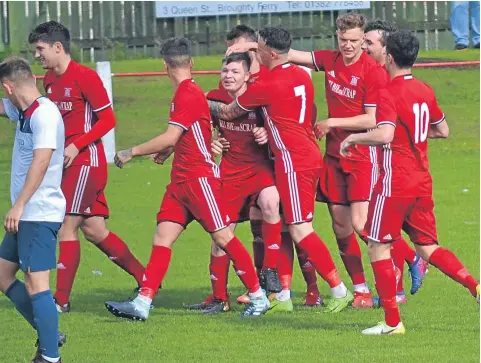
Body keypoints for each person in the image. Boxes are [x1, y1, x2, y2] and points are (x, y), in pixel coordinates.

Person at [104, 37, 269, 321]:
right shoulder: (190, 93)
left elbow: (171, 135)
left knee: (223, 236)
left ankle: (259, 297)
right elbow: (187, 133)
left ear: (164, 65)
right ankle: (143, 303)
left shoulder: (187, 94)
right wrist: (169, 151)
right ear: (191, 63)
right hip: (180, 181)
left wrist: (131, 151)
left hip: (198, 178)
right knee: (162, 237)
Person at [340, 29, 480, 335]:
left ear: (389, 57)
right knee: (427, 246)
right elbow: (442, 130)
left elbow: (385, 134)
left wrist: (355, 137)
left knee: (377, 245)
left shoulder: (388, 92)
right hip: (421, 181)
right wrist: (412, 136)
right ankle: (475, 286)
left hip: (394, 183)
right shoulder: (425, 90)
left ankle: (392, 322)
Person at [211, 26, 353, 313]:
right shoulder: (300, 75)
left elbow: (227, 111)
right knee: (288, 226)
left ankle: (340, 290)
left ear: (271, 53)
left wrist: (196, 100)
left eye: (259, 48)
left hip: (293, 163)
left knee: (301, 229)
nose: (257, 52)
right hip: (305, 155)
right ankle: (283, 297)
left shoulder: (267, 86)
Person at [28, 21, 145, 313]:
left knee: (68, 225)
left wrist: (76, 144)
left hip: (85, 162)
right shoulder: (50, 80)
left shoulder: (86, 77)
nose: (37, 56)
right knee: (94, 230)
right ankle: (147, 280)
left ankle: (60, 301)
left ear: (58, 47)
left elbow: (109, 120)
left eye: (40, 50)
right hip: (68, 164)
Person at [222, 25, 322, 308]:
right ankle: (272, 288)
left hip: (287, 160)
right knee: (264, 222)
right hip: (265, 163)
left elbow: (298, 113)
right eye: (234, 52)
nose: (240, 57)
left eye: (247, 50)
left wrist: (268, 129)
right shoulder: (238, 80)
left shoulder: (273, 76)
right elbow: (227, 119)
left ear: (261, 50)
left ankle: (311, 288)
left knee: (296, 227)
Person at [0, 56, 65, 363]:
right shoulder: (24, 109)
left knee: (36, 284)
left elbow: (41, 162)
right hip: (25, 214)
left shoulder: (45, 115)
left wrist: (19, 205)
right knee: (2, 275)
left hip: (38, 212)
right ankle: (49, 330)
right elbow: (3, 108)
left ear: (7, 86)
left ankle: (51, 356)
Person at [363, 19, 429, 304]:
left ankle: (391, 307)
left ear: (386, 51)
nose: (364, 48)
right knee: (384, 231)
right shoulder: (418, 87)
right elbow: (440, 128)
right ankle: (397, 290)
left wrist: (349, 135)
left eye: (370, 43)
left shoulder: (387, 85)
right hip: (409, 172)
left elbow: (381, 128)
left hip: (391, 170)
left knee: (372, 233)